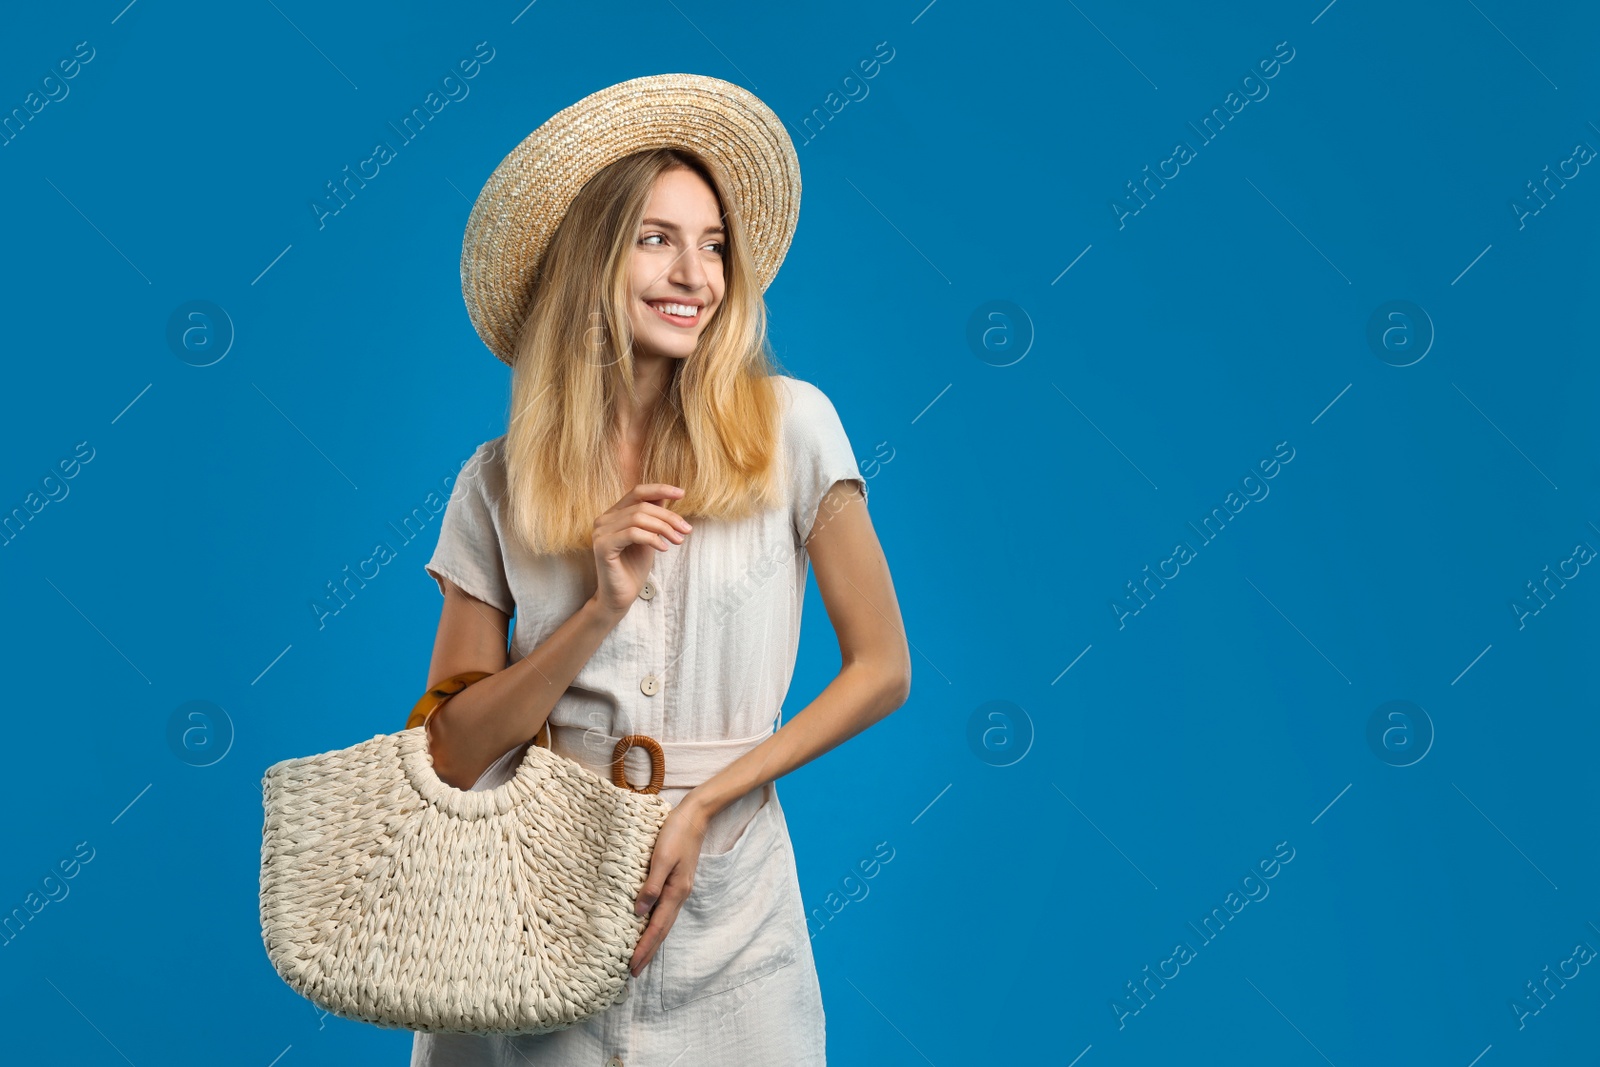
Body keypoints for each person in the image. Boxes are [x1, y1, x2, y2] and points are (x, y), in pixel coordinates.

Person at [409, 74, 911, 1066]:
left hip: (733, 907)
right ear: (592, 260)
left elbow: (883, 668)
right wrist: (596, 610)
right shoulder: (498, 482)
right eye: (656, 238)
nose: (695, 273)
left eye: (713, 242)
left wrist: (703, 801)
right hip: (534, 904)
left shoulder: (792, 430)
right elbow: (450, 753)